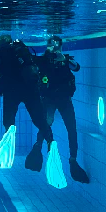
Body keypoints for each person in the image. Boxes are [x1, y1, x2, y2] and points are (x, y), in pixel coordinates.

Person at [0, 35, 55, 171]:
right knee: (39, 120)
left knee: (9, 121)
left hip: (11, 92)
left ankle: (10, 136)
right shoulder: (24, 55)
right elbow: (42, 61)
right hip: (31, 91)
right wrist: (52, 54)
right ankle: (50, 140)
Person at [29, 36, 89, 183]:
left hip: (64, 100)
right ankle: (37, 147)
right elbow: (31, 61)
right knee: (46, 123)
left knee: (71, 128)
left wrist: (64, 59)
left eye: (57, 46)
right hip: (49, 99)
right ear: (47, 47)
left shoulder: (66, 60)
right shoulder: (43, 61)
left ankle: (73, 159)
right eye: (52, 46)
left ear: (61, 47)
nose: (55, 49)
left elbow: (77, 67)